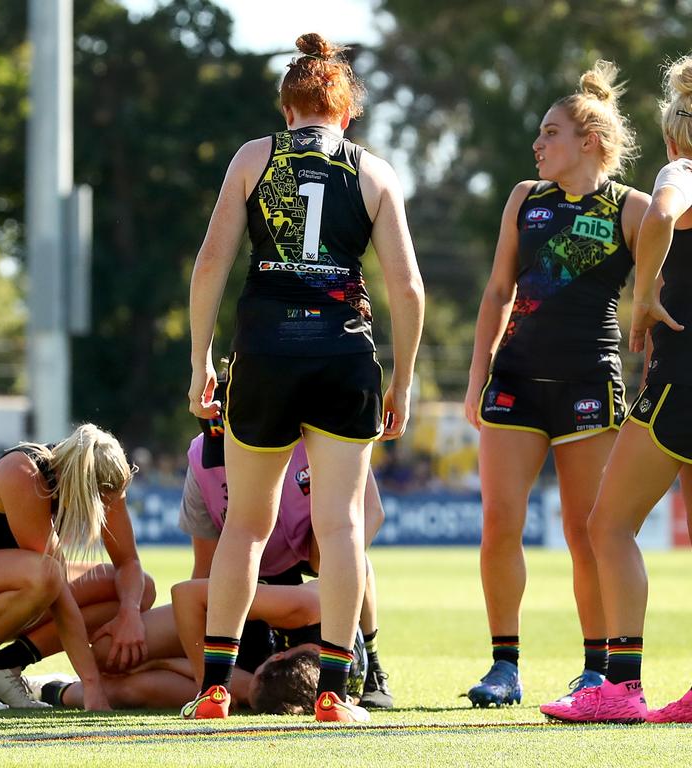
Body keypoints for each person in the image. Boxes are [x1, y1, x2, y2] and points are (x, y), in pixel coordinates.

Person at [186, 32, 424, 722]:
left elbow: (210, 265)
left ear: (287, 108)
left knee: (246, 528)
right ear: (347, 115)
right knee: (342, 527)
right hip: (343, 355)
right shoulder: (373, 171)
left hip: (263, 353)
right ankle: (334, 692)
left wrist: (200, 358)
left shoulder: (254, 157)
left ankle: (212, 689)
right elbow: (407, 289)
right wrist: (402, 381)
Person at [463, 60, 650, 707]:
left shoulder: (634, 209)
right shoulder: (525, 199)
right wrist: (475, 378)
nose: (538, 146)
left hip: (589, 388)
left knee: (586, 532)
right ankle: (504, 668)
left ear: (589, 140)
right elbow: (496, 292)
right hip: (513, 382)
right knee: (499, 525)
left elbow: (660, 297)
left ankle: (596, 671)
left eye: (550, 134)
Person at [540, 55, 692, 724]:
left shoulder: (680, 169)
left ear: (670, 135)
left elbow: (661, 213)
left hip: (682, 383)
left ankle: (620, 686)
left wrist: (642, 300)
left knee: (608, 525)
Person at [0, 423, 153, 710]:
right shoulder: (23, 473)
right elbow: (56, 590)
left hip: (9, 591)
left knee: (138, 590)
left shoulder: (104, 477)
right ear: (79, 481)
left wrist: (130, 613)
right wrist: (93, 686)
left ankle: (4, 667)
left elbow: (128, 563)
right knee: (45, 573)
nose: (104, 507)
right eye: (99, 501)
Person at [180, 421, 393, 708]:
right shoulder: (200, 458)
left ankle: (374, 668)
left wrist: (332, 566)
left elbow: (372, 512)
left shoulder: (319, 430)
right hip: (250, 569)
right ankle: (211, 682)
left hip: (310, 548)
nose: (226, 459)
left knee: (354, 557)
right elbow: (202, 574)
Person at [27, 578, 367, 715]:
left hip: (267, 683)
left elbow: (255, 689)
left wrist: (161, 666)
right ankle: (18, 657)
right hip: (233, 625)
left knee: (133, 690)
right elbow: (186, 592)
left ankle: (44, 689)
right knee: (107, 653)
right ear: (279, 654)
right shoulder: (304, 609)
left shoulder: (295, 690)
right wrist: (210, 685)